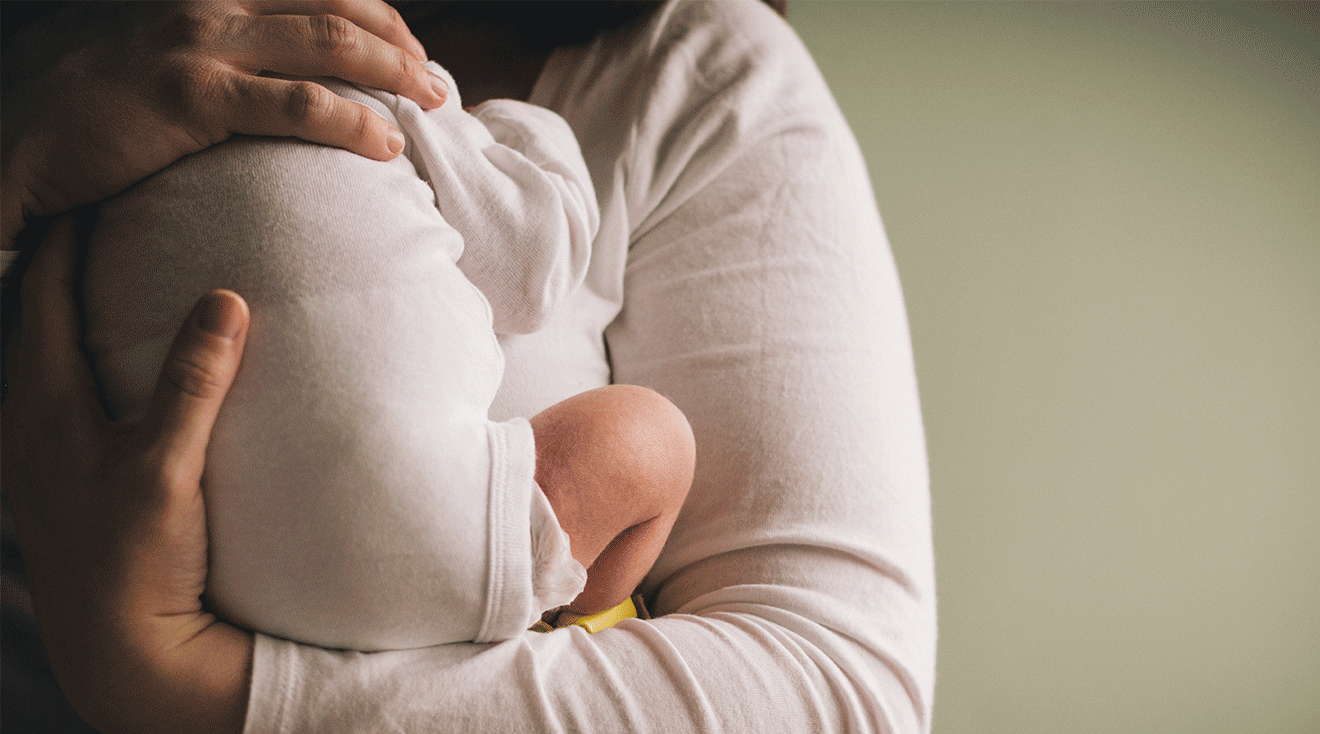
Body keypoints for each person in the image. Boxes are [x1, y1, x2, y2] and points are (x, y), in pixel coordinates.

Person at [2, 1, 936, 732]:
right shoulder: (401, 100)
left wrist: (184, 687)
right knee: (644, 443)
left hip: (442, 539)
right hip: (463, 540)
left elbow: (836, 694)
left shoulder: (690, 73)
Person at [79, 56, 694, 652]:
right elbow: (533, 272)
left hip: (199, 561)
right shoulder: (373, 76)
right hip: (421, 543)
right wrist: (519, 127)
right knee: (655, 440)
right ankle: (580, 615)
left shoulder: (113, 115)